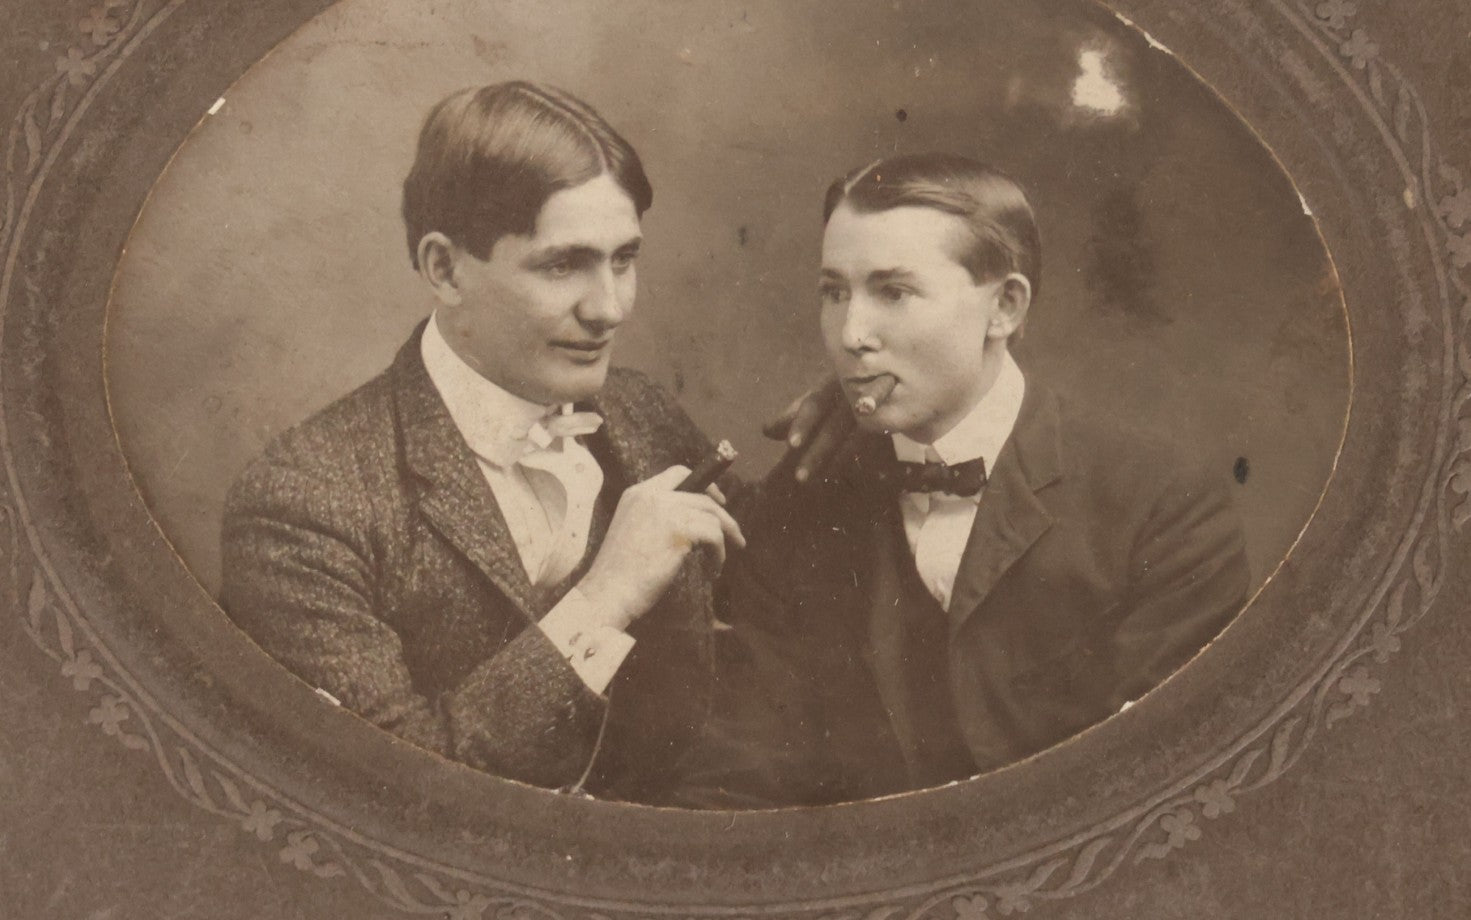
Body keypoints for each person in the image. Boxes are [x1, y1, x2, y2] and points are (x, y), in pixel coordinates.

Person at [219, 81, 746, 802]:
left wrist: (863, 421)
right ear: (444, 269)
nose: (610, 308)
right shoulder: (301, 503)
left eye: (623, 259)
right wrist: (605, 598)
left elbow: (791, 596)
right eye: (562, 265)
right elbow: (395, 794)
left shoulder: (641, 411)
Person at [710, 152, 1251, 805]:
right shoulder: (799, 502)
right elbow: (743, 780)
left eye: (893, 292)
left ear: (1005, 307)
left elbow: (1159, 795)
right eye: (834, 292)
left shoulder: (1162, 507)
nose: (850, 334)